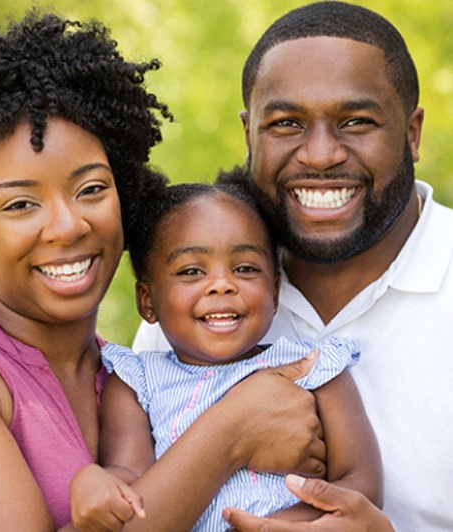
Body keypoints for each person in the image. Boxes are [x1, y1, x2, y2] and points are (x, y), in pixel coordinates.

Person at [0, 4, 332, 531]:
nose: (67, 226)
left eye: (92, 189)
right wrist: (228, 434)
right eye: (21, 204)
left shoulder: (142, 372)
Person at [133, 2, 453, 531]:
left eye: (356, 121)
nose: (322, 155)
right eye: (286, 123)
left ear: (412, 133)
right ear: (249, 134)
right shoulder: (192, 308)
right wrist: (228, 434)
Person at [77, 181, 381, 531]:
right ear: (147, 301)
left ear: (275, 290)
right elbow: (131, 485)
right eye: (192, 271)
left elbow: (361, 485)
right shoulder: (135, 385)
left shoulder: (315, 371)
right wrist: (91, 481)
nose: (222, 284)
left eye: (246, 268)